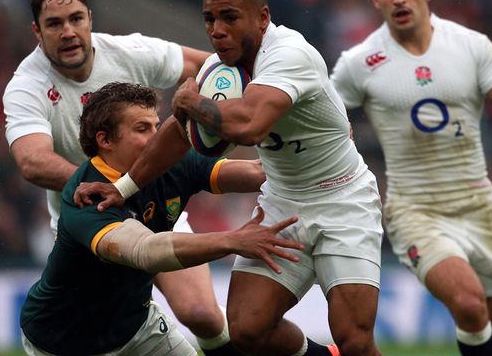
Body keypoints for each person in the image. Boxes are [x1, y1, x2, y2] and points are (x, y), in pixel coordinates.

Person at [76, 0, 382, 356]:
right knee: (246, 331)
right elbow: (176, 133)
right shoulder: (217, 70)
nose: (217, 29)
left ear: (263, 17)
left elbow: (250, 125)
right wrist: (123, 187)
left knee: (355, 339)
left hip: (342, 200)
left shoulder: (289, 54)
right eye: (210, 19)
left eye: (230, 17)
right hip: (283, 203)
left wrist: (191, 102)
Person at [329, 0, 492, 356]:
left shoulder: (470, 45)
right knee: (470, 306)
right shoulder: (359, 63)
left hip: (478, 202)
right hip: (415, 211)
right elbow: (323, 115)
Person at [3, 0, 241, 355]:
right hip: (91, 223)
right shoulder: (26, 86)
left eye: (76, 19)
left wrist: (236, 102)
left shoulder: (129, 51)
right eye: (54, 23)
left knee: (203, 314)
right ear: (36, 30)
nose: (68, 31)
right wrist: (111, 187)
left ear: (90, 19)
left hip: (156, 205)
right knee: (101, 332)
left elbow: (210, 67)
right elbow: (32, 160)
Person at [20, 81, 304, 356]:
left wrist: (318, 151)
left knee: (203, 314)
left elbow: (255, 173)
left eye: (157, 125)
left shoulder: (172, 161)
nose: (156, 136)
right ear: (105, 140)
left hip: (138, 330)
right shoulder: (87, 196)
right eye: (142, 129)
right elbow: (147, 252)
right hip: (63, 342)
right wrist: (234, 240)